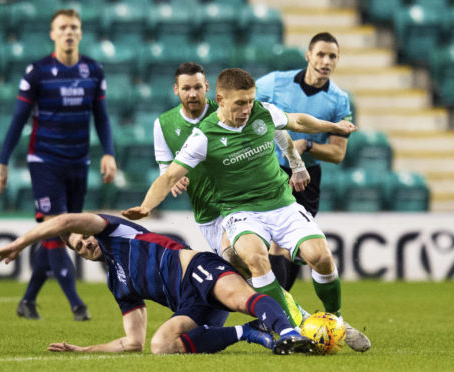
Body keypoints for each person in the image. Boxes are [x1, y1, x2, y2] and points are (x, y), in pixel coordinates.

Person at [121, 68, 370, 350]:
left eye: (250, 101)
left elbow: (297, 122)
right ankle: (290, 329)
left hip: (281, 204)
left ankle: (335, 319)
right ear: (222, 100)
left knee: (321, 257)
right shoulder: (203, 136)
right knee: (252, 258)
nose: (247, 108)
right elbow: (168, 175)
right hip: (240, 211)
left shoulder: (262, 113)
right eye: (241, 103)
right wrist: (146, 206)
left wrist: (333, 128)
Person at [0, 213, 316, 355]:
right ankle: (251, 332)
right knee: (162, 346)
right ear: (79, 254)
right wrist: (84, 351)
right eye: (79, 246)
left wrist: (20, 242)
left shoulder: (114, 231)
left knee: (241, 297)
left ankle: (290, 333)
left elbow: (67, 220)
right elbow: (133, 343)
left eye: (86, 237)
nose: (87, 243)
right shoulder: (118, 284)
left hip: (197, 270)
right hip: (191, 306)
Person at [0, 9, 117, 321]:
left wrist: (108, 152)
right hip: (45, 161)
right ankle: (77, 304)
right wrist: (2, 161)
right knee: (58, 229)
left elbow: (100, 116)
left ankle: (28, 301)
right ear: (52, 34)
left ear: (81, 32)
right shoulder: (38, 71)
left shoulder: (93, 70)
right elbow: (19, 119)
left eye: (74, 27)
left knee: (62, 231)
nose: (68, 32)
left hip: (79, 161)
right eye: (62, 27)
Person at [154, 62, 309, 255]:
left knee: (253, 259)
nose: (192, 94)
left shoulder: (231, 109)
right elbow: (164, 165)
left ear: (207, 87)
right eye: (186, 88)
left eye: (198, 87)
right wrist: (171, 179)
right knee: (235, 267)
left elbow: (275, 128)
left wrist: (297, 165)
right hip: (207, 211)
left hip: (243, 204)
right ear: (176, 89)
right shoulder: (162, 124)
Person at [256, 32, 352, 293]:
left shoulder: (339, 100)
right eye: (321, 54)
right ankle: (277, 311)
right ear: (308, 55)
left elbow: (337, 153)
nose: (326, 60)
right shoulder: (275, 83)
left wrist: (307, 145)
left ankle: (277, 309)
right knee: (278, 243)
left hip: (307, 177)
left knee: (291, 245)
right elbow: (244, 107)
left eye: (332, 56)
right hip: (272, 171)